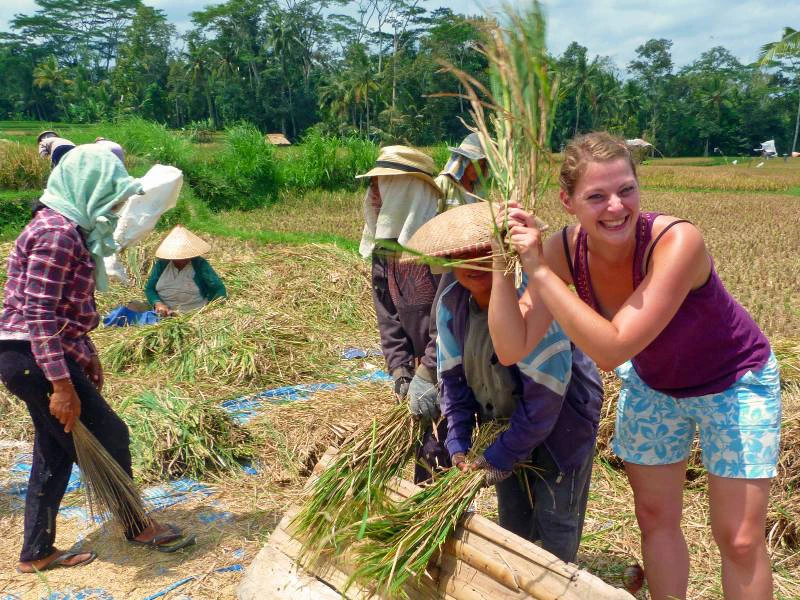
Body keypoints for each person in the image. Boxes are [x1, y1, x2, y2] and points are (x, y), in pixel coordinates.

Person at [493, 132, 780, 599]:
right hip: (655, 385)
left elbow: (612, 350)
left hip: (734, 383)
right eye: (596, 196)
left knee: (740, 537)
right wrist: (502, 265)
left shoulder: (676, 242)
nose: (615, 206)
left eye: (626, 189)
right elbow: (510, 346)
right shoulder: (563, 251)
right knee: (654, 516)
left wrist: (540, 273)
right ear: (568, 202)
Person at [0, 146, 194, 574]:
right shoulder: (57, 233)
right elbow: (39, 314)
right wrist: (62, 385)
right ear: (88, 187)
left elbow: (65, 309)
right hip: (31, 355)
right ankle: (136, 525)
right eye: (111, 193)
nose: (117, 204)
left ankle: (36, 552)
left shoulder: (65, 226)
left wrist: (85, 352)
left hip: (30, 354)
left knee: (54, 451)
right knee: (110, 436)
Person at [404, 202, 603, 562]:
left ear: (506, 252)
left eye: (485, 249)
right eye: (461, 253)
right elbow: (453, 382)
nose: (473, 261)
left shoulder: (532, 296)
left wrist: (501, 455)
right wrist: (459, 442)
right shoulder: (451, 301)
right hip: (505, 420)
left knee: (555, 521)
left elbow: (545, 400)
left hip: (563, 420)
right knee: (513, 524)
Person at [356, 145, 447, 482]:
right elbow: (388, 317)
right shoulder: (384, 251)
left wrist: (429, 371)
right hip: (416, 367)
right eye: (374, 185)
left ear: (406, 190)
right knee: (424, 449)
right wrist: (400, 371)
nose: (374, 194)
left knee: (446, 449)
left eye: (383, 185)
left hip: (453, 367)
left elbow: (451, 319)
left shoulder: (440, 245)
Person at [144, 225, 227, 317]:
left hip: (193, 314)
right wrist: (158, 303)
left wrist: (212, 310)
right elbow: (150, 289)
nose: (182, 259)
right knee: (133, 306)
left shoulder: (199, 265)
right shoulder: (162, 264)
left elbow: (218, 289)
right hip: (162, 313)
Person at [434, 132, 488, 213]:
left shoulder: (479, 189)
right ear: (464, 162)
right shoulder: (443, 183)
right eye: (475, 164)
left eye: (482, 165)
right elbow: (430, 218)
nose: (479, 169)